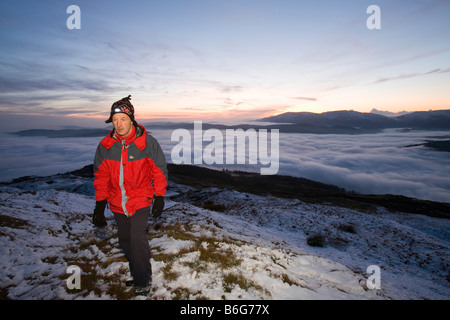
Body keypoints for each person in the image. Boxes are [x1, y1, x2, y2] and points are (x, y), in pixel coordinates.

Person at [92, 95, 168, 296]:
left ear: (132, 119)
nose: (119, 124)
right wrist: (100, 206)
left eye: (123, 119)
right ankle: (138, 270)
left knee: (137, 237)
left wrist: (159, 196)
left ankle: (143, 281)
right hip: (116, 202)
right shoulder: (105, 146)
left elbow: (158, 170)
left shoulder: (146, 143)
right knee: (124, 240)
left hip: (141, 198)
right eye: (115, 120)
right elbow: (101, 177)